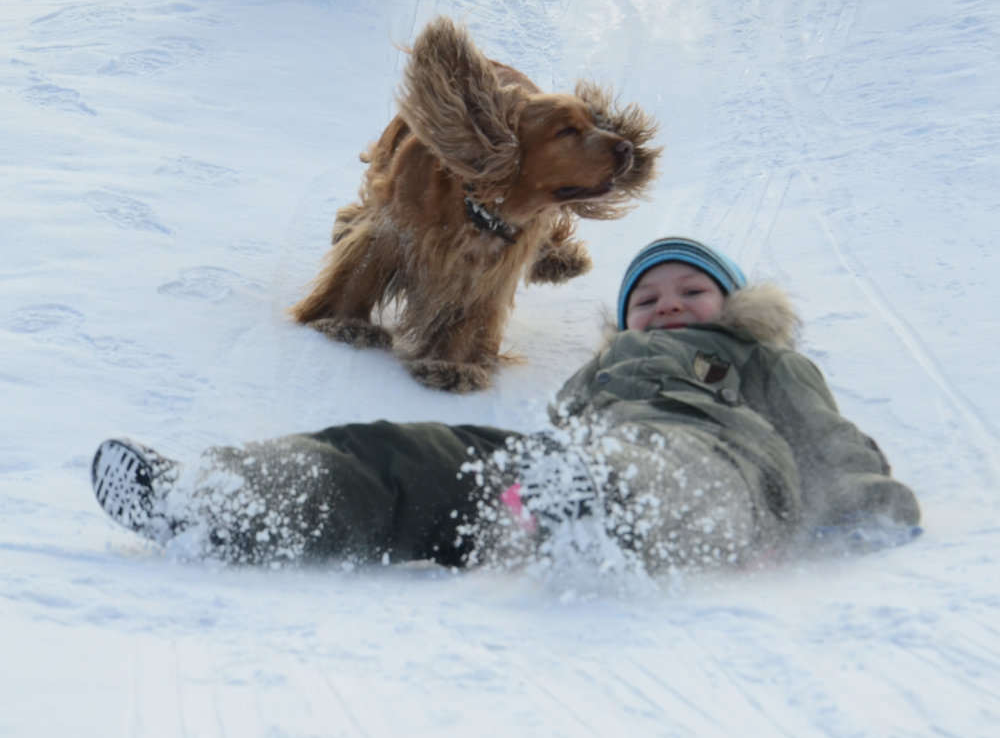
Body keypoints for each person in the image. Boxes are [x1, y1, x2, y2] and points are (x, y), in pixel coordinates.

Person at [91, 237, 921, 572]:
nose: (668, 304)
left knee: (642, 475)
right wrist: (518, 498)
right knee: (410, 452)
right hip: (578, 468)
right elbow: (551, 450)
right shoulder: (595, 379)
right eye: (649, 297)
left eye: (692, 291)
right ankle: (222, 499)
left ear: (733, 305)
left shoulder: (758, 357)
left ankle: (598, 520)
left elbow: (827, 438)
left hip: (722, 469)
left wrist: (863, 514)